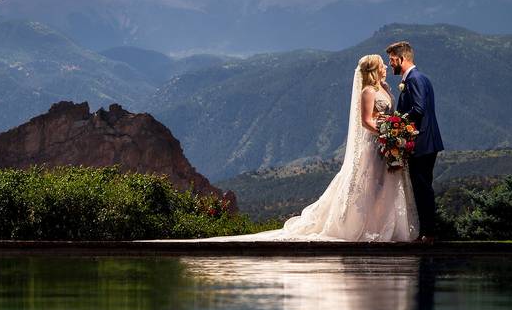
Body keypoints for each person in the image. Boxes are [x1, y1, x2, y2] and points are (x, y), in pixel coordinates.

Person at [170, 53, 419, 242]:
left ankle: (383, 227)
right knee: (365, 185)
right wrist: (386, 133)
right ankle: (361, 227)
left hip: (385, 145)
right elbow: (366, 121)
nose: (386, 67)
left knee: (383, 185)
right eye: (382, 65)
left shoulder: (384, 89)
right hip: (374, 144)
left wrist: (394, 130)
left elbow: (387, 115)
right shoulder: (367, 91)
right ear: (374, 70)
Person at [387, 41, 444, 242]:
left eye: (392, 60)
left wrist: (396, 121)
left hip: (422, 142)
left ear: (402, 59)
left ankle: (428, 233)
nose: (390, 64)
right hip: (427, 140)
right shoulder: (420, 78)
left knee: (422, 188)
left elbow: (418, 109)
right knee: (422, 187)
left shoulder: (414, 79)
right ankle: (427, 231)